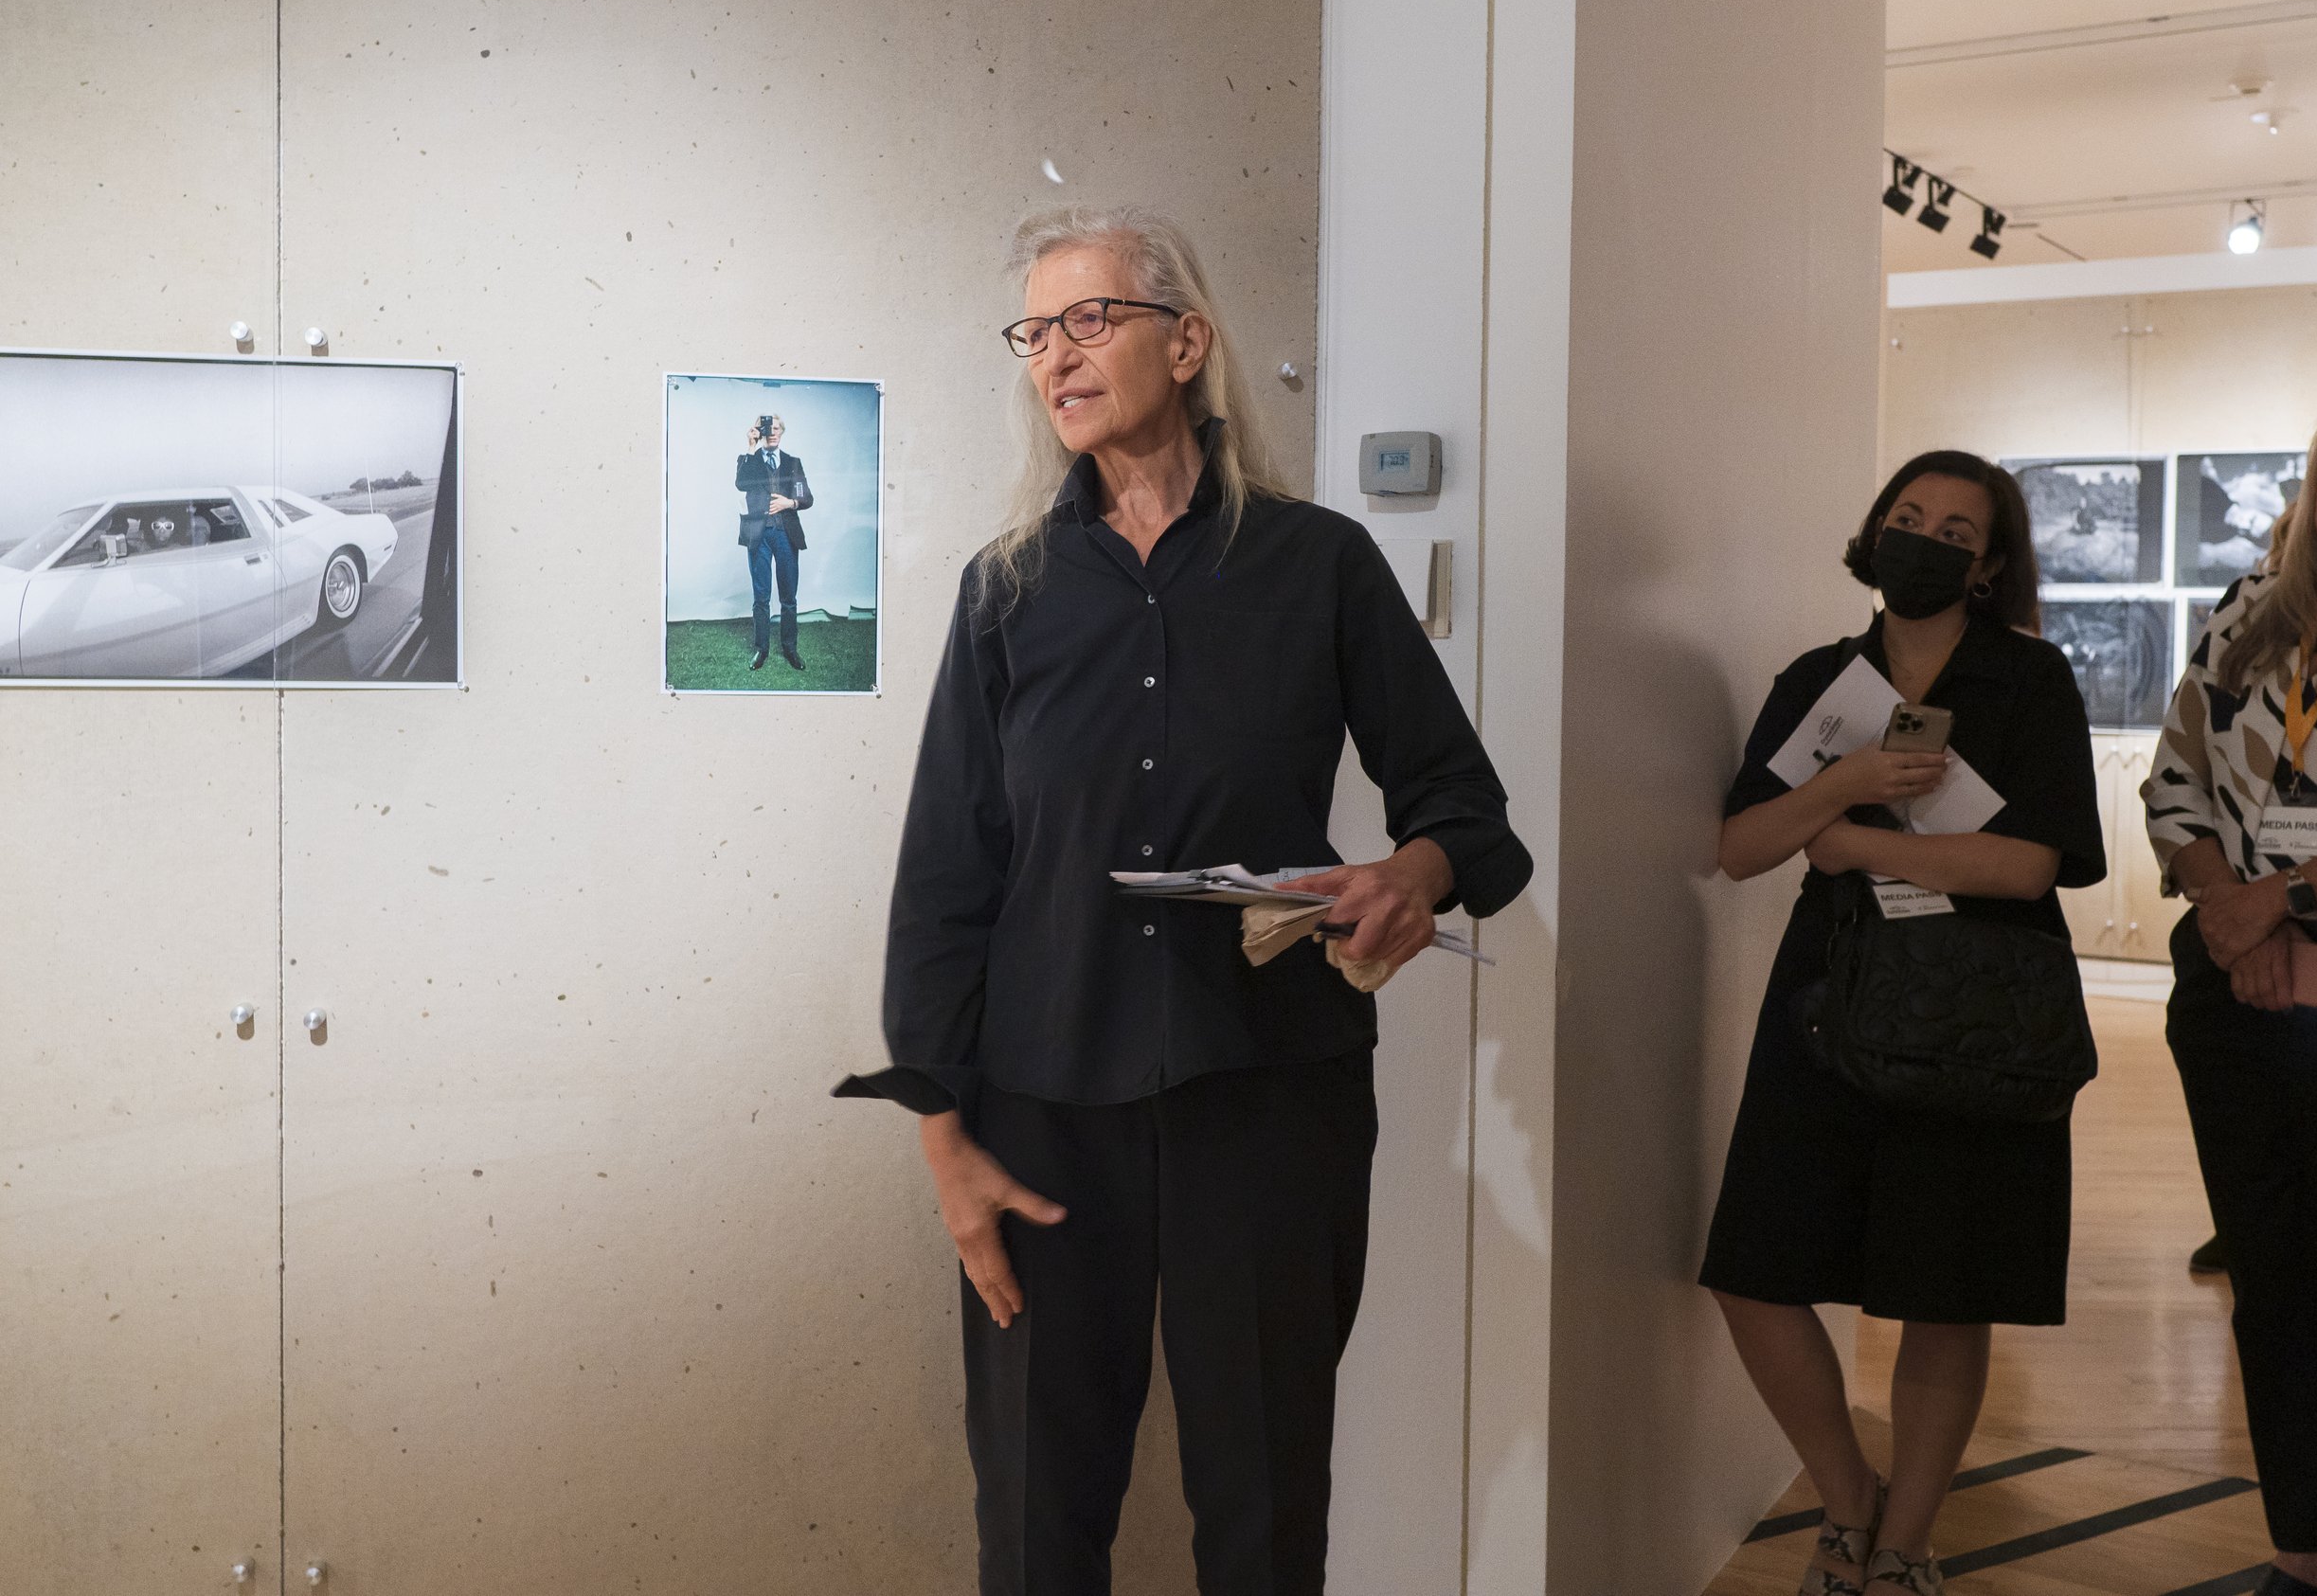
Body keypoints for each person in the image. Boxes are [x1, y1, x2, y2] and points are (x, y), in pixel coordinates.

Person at [834, 204, 1531, 1596]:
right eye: (1036, 332)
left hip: (1269, 1096)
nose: (1056, 355)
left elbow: (1472, 815)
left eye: (1090, 320)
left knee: (1264, 1511)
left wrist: (1413, 872)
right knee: (1038, 1515)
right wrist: (942, 1132)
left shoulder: (1319, 566)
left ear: (1188, 341)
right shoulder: (1006, 591)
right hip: (1042, 1105)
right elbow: (944, 880)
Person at [1703, 452, 2105, 1596]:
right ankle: (1846, 1498)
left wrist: (1855, 838)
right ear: (1874, 530)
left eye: (1953, 529)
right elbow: (1739, 847)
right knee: (1753, 1269)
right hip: (1828, 997)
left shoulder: (2031, 681)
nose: (1922, 538)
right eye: (1906, 516)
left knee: (1946, 1281)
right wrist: (1847, 782)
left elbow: (2028, 866)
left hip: (1978, 1008)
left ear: (1986, 565)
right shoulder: (1816, 679)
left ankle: (1906, 1545)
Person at [2142, 379, 2317, 1596]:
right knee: (2271, 1284)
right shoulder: (2245, 616)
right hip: (2232, 989)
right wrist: (2230, 913)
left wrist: (2269, 904)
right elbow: (2174, 783)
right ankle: (2305, 1553)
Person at [736, 414, 812, 671]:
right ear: (760, 432)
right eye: (767, 428)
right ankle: (761, 650)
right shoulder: (751, 460)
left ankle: (790, 649)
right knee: (761, 597)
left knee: (789, 597)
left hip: (786, 536)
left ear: (782, 432)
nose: (772, 432)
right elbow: (740, 484)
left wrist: (790, 503)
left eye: (777, 428)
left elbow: (806, 497)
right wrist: (750, 445)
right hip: (758, 535)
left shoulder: (793, 464)